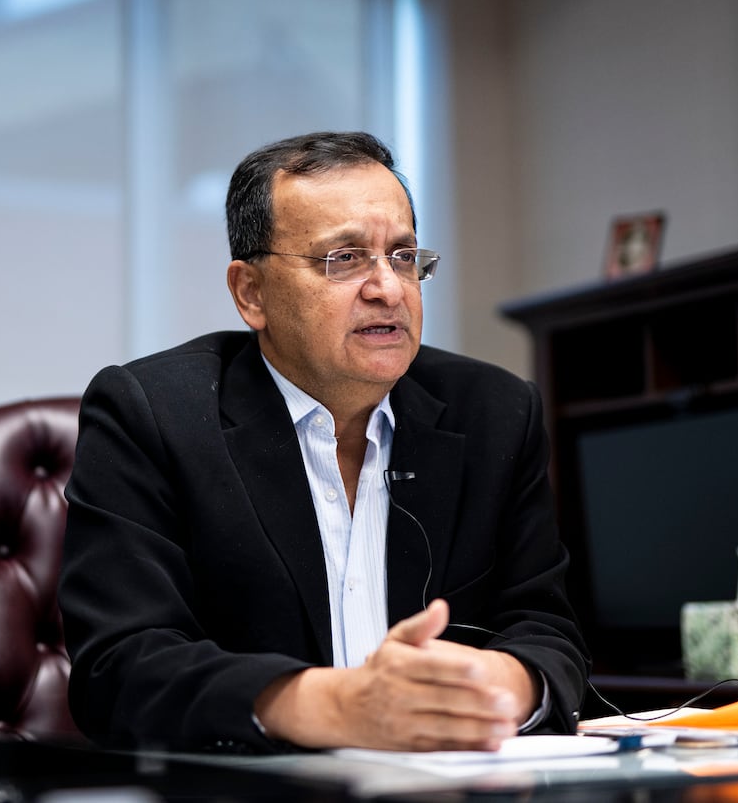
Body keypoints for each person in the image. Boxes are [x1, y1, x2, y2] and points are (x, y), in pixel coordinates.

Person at [58, 130, 589, 754]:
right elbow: (120, 666)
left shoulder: (495, 413)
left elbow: (545, 627)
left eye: (403, 256)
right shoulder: (152, 415)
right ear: (250, 293)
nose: (388, 288)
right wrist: (334, 705)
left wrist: (502, 682)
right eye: (343, 259)